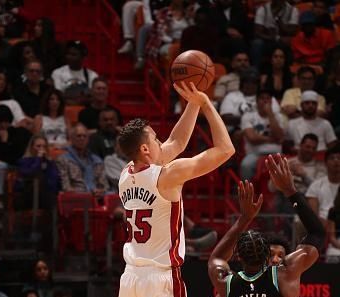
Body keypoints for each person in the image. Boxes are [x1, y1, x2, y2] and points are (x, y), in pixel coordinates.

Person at [117, 81, 234, 297]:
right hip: (160, 279)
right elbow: (226, 149)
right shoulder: (167, 175)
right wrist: (206, 104)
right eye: (154, 138)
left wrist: (193, 102)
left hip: (130, 278)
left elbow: (177, 142)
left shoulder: (126, 173)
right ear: (144, 148)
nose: (160, 140)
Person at [208, 154, 325, 297]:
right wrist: (290, 191)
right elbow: (317, 233)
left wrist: (244, 219)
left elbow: (216, 259)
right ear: (266, 256)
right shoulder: (285, 274)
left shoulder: (226, 282)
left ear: (238, 256)